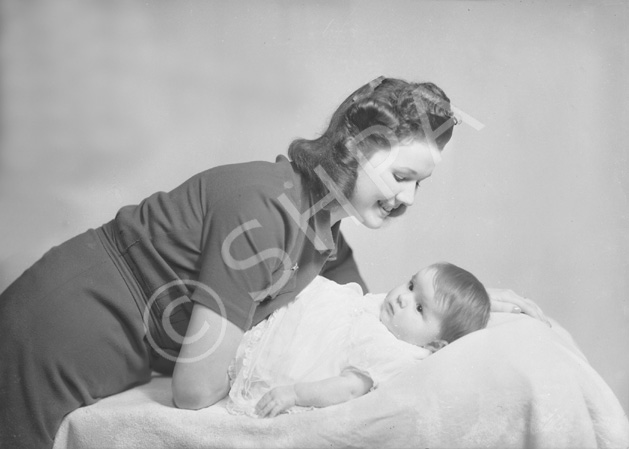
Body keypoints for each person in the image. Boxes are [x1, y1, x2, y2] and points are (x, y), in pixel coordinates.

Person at [0, 76, 546, 449]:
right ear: (355, 149)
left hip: (104, 350)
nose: (408, 200)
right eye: (402, 177)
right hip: (56, 334)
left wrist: (472, 303)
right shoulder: (267, 212)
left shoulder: (326, 236)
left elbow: (368, 322)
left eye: (419, 185)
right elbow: (194, 392)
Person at [227, 262, 491, 418]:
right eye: (411, 286)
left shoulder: (395, 353)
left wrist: (294, 394)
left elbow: (350, 387)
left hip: (298, 353)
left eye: (420, 308)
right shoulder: (389, 313)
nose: (403, 297)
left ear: (434, 345)